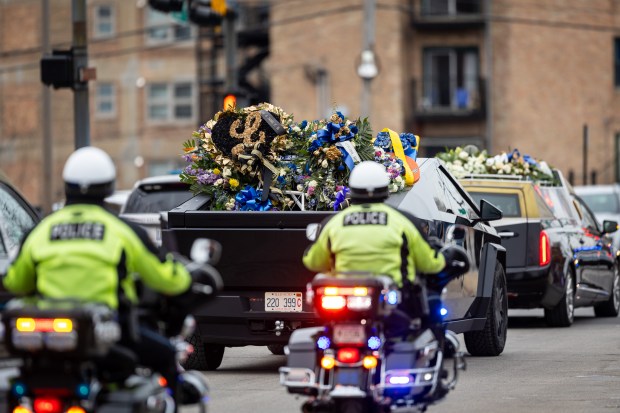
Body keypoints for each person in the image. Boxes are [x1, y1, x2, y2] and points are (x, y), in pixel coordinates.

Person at [3, 146, 193, 400]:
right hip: (109, 335)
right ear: (109, 186)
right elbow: (167, 280)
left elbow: (16, 281)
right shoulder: (122, 231)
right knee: (165, 355)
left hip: (47, 340)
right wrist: (187, 276)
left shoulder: (41, 231)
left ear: (67, 185)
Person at [302, 161, 452, 339]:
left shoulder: (334, 223)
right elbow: (429, 263)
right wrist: (444, 259)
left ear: (352, 189)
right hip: (395, 304)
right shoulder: (403, 221)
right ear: (386, 189)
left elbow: (313, 261)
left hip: (343, 305)